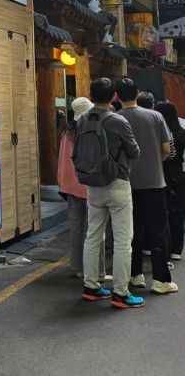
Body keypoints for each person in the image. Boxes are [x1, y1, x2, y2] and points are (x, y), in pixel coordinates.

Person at [80, 77, 142, 308]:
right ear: (114, 96)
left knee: (93, 235)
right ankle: (121, 293)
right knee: (123, 240)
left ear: (90, 95)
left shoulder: (83, 119)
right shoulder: (117, 120)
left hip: (92, 184)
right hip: (117, 183)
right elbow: (134, 152)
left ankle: (91, 287)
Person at [116, 78, 177, 295]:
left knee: (132, 230)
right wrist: (154, 163)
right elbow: (167, 149)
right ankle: (161, 280)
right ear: (137, 92)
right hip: (155, 182)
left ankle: (135, 275)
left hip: (125, 184)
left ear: (117, 96)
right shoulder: (155, 116)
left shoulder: (114, 118)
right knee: (158, 229)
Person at [58, 97, 107, 280]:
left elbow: (62, 163)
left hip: (70, 188)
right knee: (95, 230)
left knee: (76, 228)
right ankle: (97, 270)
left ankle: (77, 266)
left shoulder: (66, 133)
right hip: (89, 185)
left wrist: (62, 184)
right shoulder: (90, 131)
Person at [155, 100, 185, 262]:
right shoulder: (182, 133)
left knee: (161, 212)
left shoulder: (159, 133)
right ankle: (176, 249)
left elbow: (166, 154)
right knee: (178, 212)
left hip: (161, 175)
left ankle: (161, 246)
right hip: (179, 176)